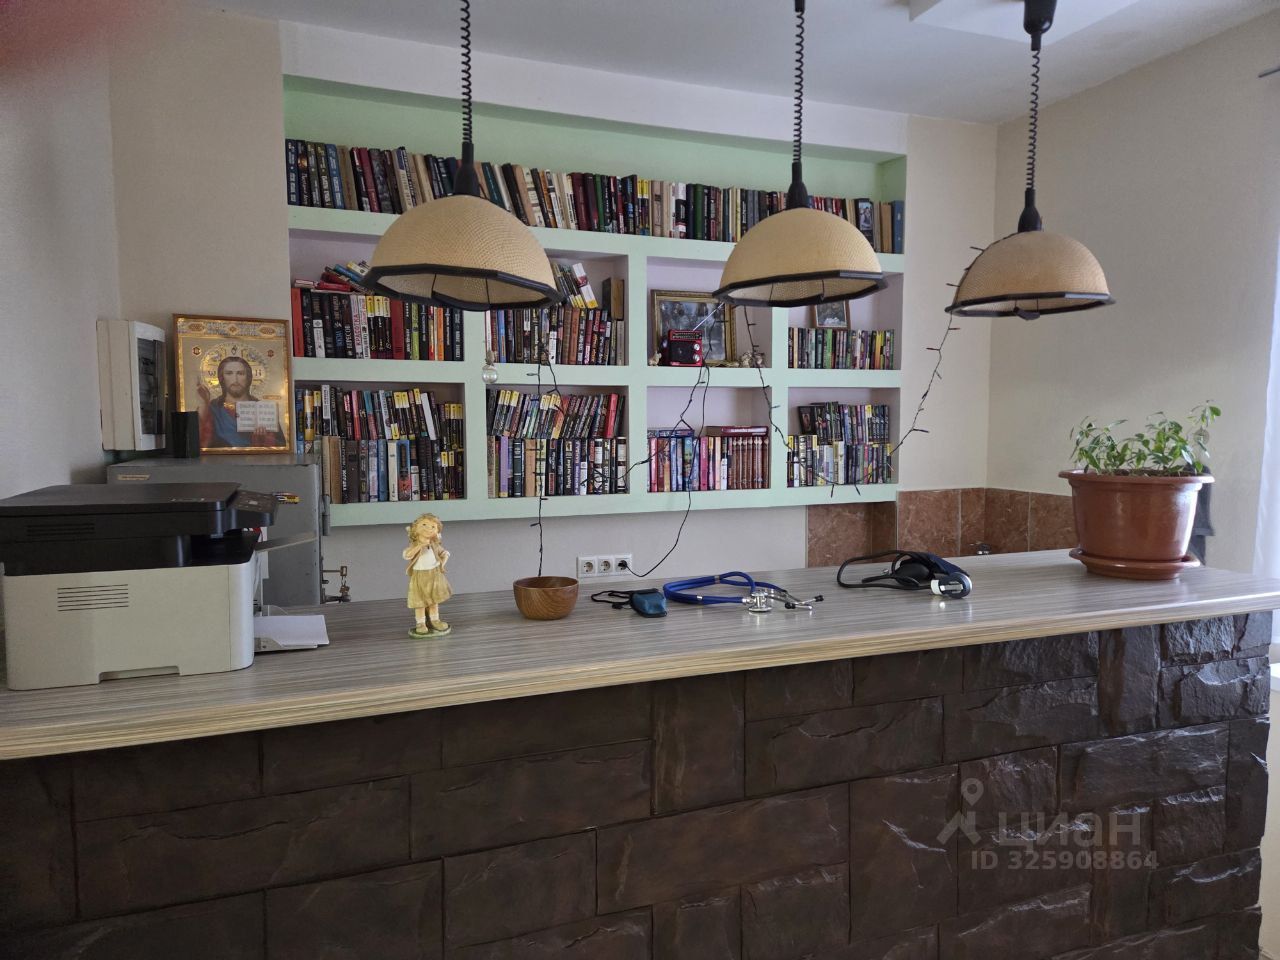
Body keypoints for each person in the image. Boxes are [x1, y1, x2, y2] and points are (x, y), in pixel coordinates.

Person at [196, 355, 284, 448]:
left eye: (240, 373)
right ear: (222, 378)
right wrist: (203, 403)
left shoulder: (263, 409)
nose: (235, 379)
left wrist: (264, 439)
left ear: (248, 377)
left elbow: (281, 446)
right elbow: (200, 442)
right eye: (229, 373)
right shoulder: (213, 409)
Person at [403, 513, 453, 637]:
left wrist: (442, 564)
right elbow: (407, 555)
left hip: (434, 575)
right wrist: (420, 546)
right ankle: (420, 623)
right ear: (415, 528)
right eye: (424, 524)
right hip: (420, 575)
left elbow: (445, 553)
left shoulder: (435, 545)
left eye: (433, 526)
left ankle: (435, 620)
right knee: (420, 601)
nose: (428, 528)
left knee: (433, 600)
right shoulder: (414, 545)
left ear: (437, 531)